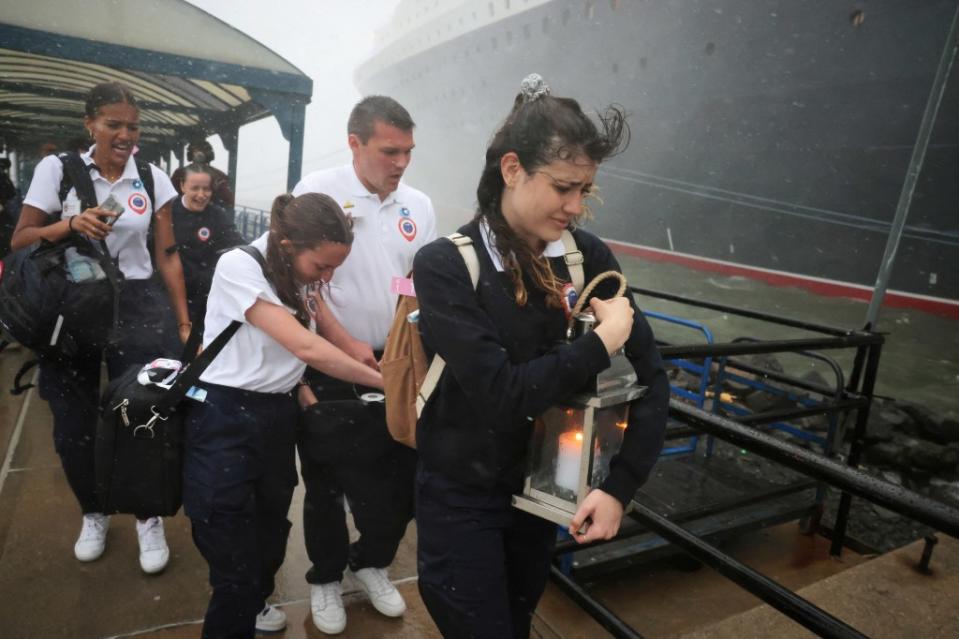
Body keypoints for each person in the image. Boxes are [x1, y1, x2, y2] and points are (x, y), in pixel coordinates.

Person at [410, 74, 669, 638]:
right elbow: (502, 396)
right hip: (461, 498)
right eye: (562, 188)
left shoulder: (587, 257)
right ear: (511, 170)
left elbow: (654, 381)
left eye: (586, 190)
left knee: (517, 622)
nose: (576, 206)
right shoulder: (445, 266)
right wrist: (603, 342)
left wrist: (618, 488)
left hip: (540, 497)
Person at [181, 192, 384, 638]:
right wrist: (390, 385)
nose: (327, 278)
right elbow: (305, 345)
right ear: (288, 245)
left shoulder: (300, 272)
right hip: (224, 414)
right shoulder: (240, 266)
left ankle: (253, 601)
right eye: (322, 267)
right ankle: (236, 609)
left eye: (336, 268)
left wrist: (358, 350)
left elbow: (321, 319)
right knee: (229, 549)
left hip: (277, 413)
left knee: (272, 530)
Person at [11, 82, 191, 574]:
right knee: (73, 423)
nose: (124, 135)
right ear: (90, 123)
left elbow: (167, 254)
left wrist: (181, 319)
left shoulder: (152, 179)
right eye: (113, 124)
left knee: (143, 412)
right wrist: (70, 225)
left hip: (136, 302)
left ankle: (147, 516)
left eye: (132, 126)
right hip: (75, 303)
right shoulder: (59, 169)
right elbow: (22, 237)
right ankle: (92, 511)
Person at [291, 95, 436, 634]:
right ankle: (326, 575)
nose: (400, 164)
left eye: (408, 152)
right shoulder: (317, 192)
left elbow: (414, 283)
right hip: (330, 360)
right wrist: (344, 340)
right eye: (389, 151)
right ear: (355, 143)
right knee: (326, 477)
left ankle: (370, 561)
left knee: (398, 475)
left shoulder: (417, 206)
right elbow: (303, 284)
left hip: (396, 362)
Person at [170, 163, 244, 331]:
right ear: (182, 186)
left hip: (206, 295)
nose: (201, 195)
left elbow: (236, 243)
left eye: (207, 189)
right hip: (173, 295)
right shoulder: (168, 212)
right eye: (195, 188)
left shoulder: (217, 214)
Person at [170, 139, 235, 211]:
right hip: (199, 215)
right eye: (196, 150)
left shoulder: (180, 173)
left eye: (202, 149)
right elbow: (229, 201)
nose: (199, 153)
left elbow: (170, 196)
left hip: (191, 214)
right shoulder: (219, 175)